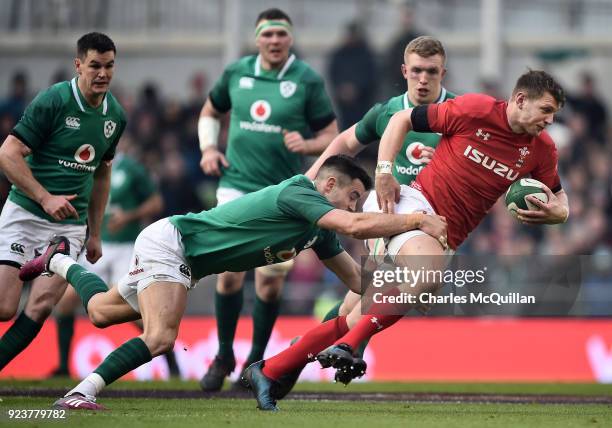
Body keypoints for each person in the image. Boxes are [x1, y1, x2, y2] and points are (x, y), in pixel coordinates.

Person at [244, 69, 570, 411]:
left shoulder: (542, 150)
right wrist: (384, 173)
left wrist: (555, 215)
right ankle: (350, 347)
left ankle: (270, 369)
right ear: (520, 100)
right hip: (410, 205)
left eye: (554, 115)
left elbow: (561, 202)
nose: (549, 120)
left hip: (444, 235)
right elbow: (401, 119)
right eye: (546, 110)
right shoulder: (475, 109)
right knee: (424, 276)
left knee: (354, 316)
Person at [18, 155, 447, 410]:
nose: (356, 204)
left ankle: (57, 261)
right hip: (174, 243)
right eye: (353, 194)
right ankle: (80, 393)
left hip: (183, 260)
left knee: (100, 313)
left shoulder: (319, 232)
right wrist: (412, 219)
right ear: (328, 184)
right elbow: (354, 223)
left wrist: (402, 285)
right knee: (162, 337)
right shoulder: (297, 192)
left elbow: (358, 283)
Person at [197, 8, 338, 391]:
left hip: (283, 194)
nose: (274, 41)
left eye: (281, 34)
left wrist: (308, 144)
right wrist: (209, 148)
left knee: (270, 284)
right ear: (257, 38)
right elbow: (210, 111)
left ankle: (254, 362)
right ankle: (223, 353)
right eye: (268, 34)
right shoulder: (237, 72)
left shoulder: (307, 79)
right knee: (227, 276)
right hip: (236, 185)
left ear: (289, 39)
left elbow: (333, 134)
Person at [306, 35, 455, 368]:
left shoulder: (458, 115)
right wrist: (312, 177)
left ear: (443, 72)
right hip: (391, 214)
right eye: (416, 70)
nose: (423, 79)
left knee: (353, 305)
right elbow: (346, 139)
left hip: (432, 223)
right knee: (373, 293)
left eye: (431, 71)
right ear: (404, 70)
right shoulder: (388, 110)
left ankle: (304, 350)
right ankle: (333, 351)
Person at [0, 32, 126, 370]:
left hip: (69, 227)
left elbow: (101, 173)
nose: (103, 74)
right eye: (95, 66)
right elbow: (8, 153)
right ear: (78, 65)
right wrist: (45, 197)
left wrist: (95, 232)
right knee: (4, 307)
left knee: (40, 307)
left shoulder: (116, 116)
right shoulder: (53, 100)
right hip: (25, 214)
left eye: (109, 66)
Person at [50, 145, 166, 377]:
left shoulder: (131, 168)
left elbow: (156, 203)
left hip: (126, 249)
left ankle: (170, 359)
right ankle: (63, 367)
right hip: (98, 245)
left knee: (134, 312)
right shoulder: (86, 164)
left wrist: (129, 216)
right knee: (64, 303)